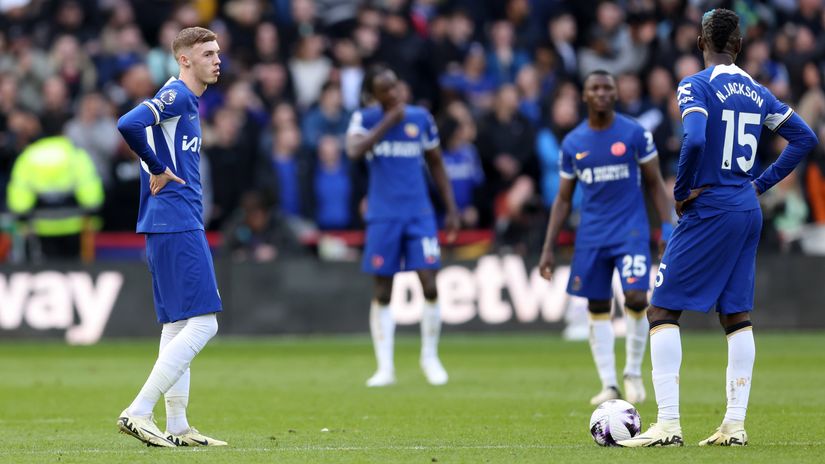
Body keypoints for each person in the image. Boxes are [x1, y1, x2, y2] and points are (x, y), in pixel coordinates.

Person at [618, 9, 818, 448]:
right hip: (747, 209)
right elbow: (806, 139)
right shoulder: (758, 90)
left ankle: (668, 424)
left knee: (662, 310)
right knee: (736, 317)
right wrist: (759, 184)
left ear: (699, 42)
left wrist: (682, 189)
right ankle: (734, 424)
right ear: (740, 45)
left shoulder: (697, 84)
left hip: (709, 206)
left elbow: (694, 139)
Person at [115, 26, 227, 448]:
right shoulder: (177, 94)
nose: (217, 60)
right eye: (208, 53)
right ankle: (139, 410)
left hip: (167, 220)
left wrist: (156, 164)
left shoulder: (185, 100)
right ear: (184, 59)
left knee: (178, 323)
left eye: (218, 52)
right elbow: (128, 123)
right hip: (176, 218)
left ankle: (177, 425)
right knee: (204, 323)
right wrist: (157, 166)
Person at [538, 70, 672, 406]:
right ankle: (609, 384)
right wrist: (548, 248)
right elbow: (564, 198)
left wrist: (668, 227)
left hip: (631, 229)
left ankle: (632, 372)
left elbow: (655, 183)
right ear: (584, 96)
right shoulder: (573, 143)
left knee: (636, 297)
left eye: (607, 88)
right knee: (597, 306)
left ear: (615, 94)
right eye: (594, 88)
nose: (600, 93)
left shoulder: (635, 133)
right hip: (592, 234)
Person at [345, 65, 460, 387]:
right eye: (385, 89)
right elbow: (353, 150)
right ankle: (385, 367)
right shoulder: (364, 119)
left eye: (395, 86)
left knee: (431, 284)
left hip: (420, 213)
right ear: (373, 94)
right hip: (383, 215)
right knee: (383, 289)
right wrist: (386, 123)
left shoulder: (420, 118)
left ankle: (430, 357)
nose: (393, 93)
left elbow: (436, 162)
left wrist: (451, 208)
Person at [6, 127, 104, 261]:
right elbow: (89, 187)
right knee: (74, 268)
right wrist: (93, 214)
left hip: (41, 224)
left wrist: (22, 219)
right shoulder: (74, 153)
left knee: (47, 267)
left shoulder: (29, 155)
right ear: (62, 133)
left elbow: (20, 191)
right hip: (74, 222)